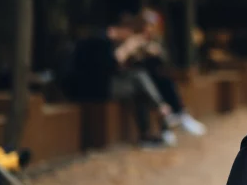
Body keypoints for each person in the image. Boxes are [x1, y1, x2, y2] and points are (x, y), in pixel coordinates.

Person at [69, 15, 178, 149]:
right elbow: (109, 64)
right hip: (94, 88)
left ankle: (149, 131)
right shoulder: (100, 39)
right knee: (139, 78)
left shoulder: (109, 41)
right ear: (123, 29)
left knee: (140, 85)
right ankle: (161, 111)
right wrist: (128, 47)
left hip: (103, 85)